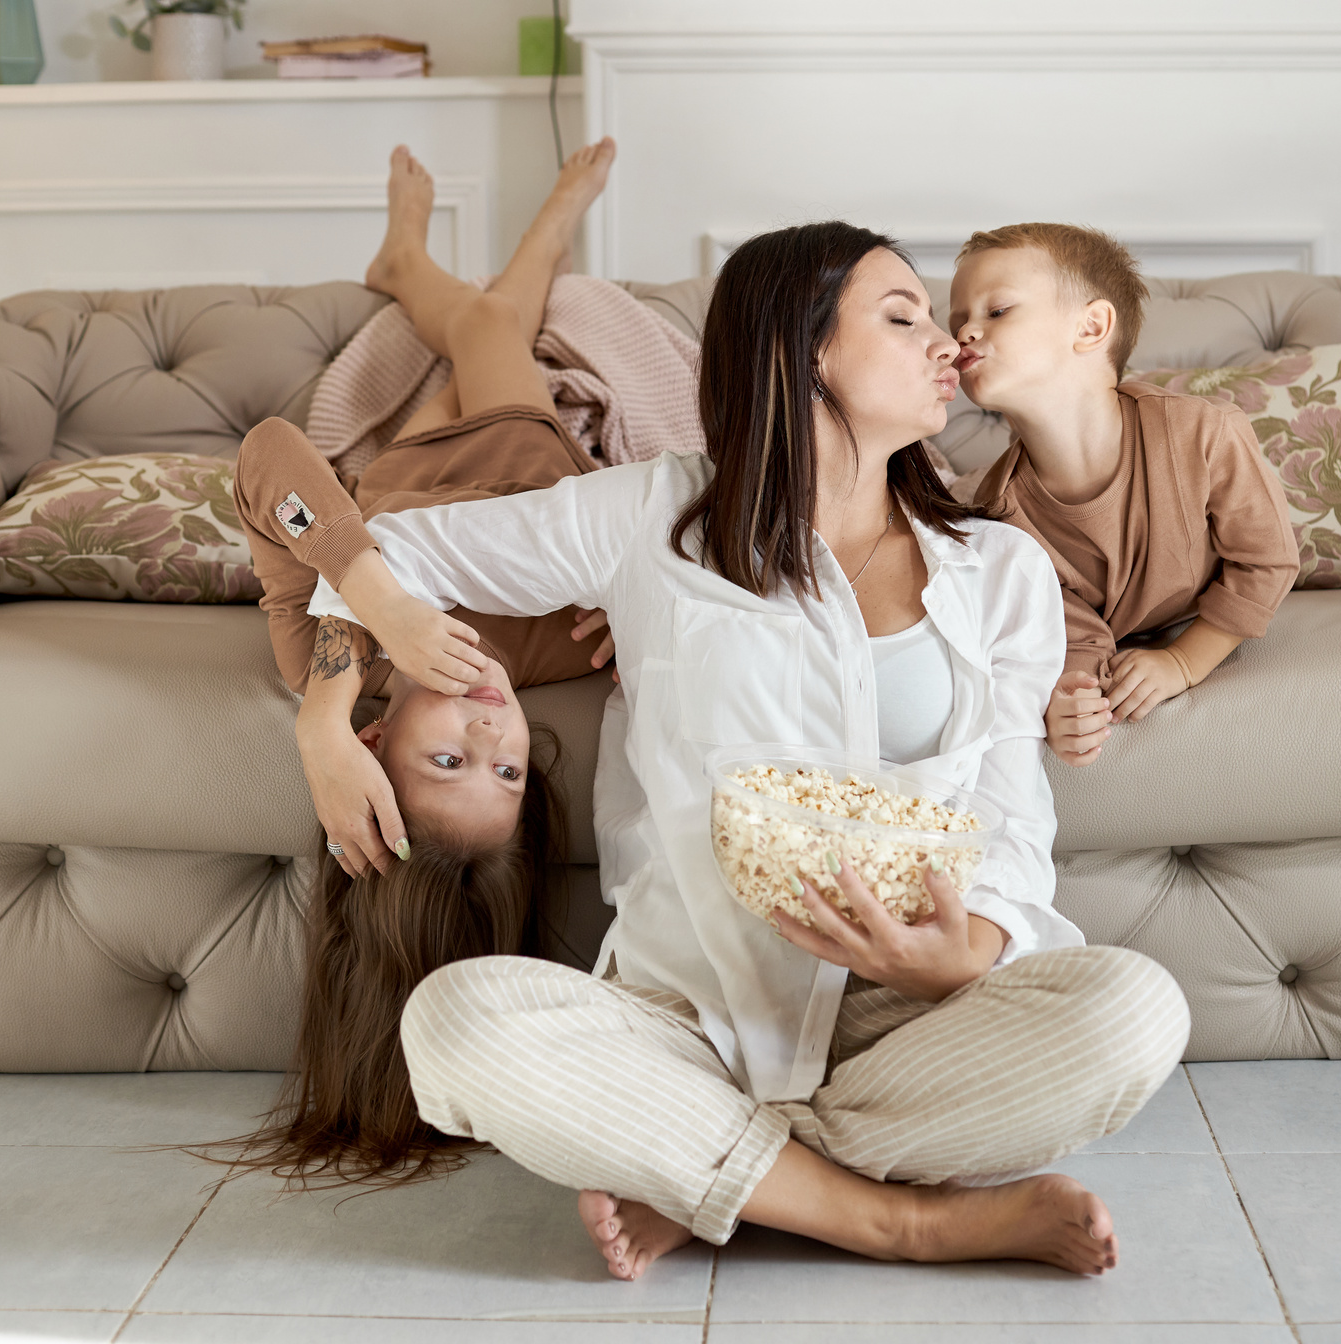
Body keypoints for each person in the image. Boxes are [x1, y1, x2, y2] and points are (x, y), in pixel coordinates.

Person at [308, 221, 1192, 1277]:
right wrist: (324, 715)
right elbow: (383, 546)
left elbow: (1010, 817)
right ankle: (900, 1220)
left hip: (909, 1020)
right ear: (803, 348)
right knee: (454, 1025)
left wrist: (967, 952)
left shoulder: (1000, 571)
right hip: (690, 1016)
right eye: (904, 318)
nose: (947, 345)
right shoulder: (653, 517)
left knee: (1138, 1012)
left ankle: (715, 1176)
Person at [219, 139, 621, 1185]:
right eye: (510, 771)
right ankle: (441, 253)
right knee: (491, 330)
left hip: (402, 473)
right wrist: (646, 600)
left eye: (449, 762)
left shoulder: (320, 657)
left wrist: (364, 630)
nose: (492, 731)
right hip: (534, 453)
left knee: (482, 331)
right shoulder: (549, 641)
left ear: (374, 743)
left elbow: (268, 453)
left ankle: (412, 255)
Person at [947, 224, 1300, 767]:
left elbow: (1266, 561)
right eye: (958, 321)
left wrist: (1182, 662)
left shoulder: (1203, 434)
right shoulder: (998, 514)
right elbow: (1065, 626)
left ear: (1091, 327)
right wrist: (1071, 699)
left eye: (996, 312)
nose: (965, 332)